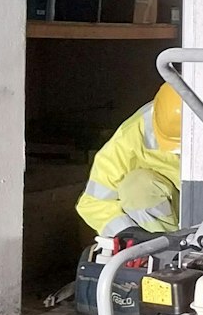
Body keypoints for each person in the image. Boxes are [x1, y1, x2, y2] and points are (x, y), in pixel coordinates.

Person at [75, 83, 184, 239]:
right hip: (173, 224)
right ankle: (165, 252)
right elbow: (93, 204)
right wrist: (127, 231)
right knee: (136, 185)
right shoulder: (129, 139)